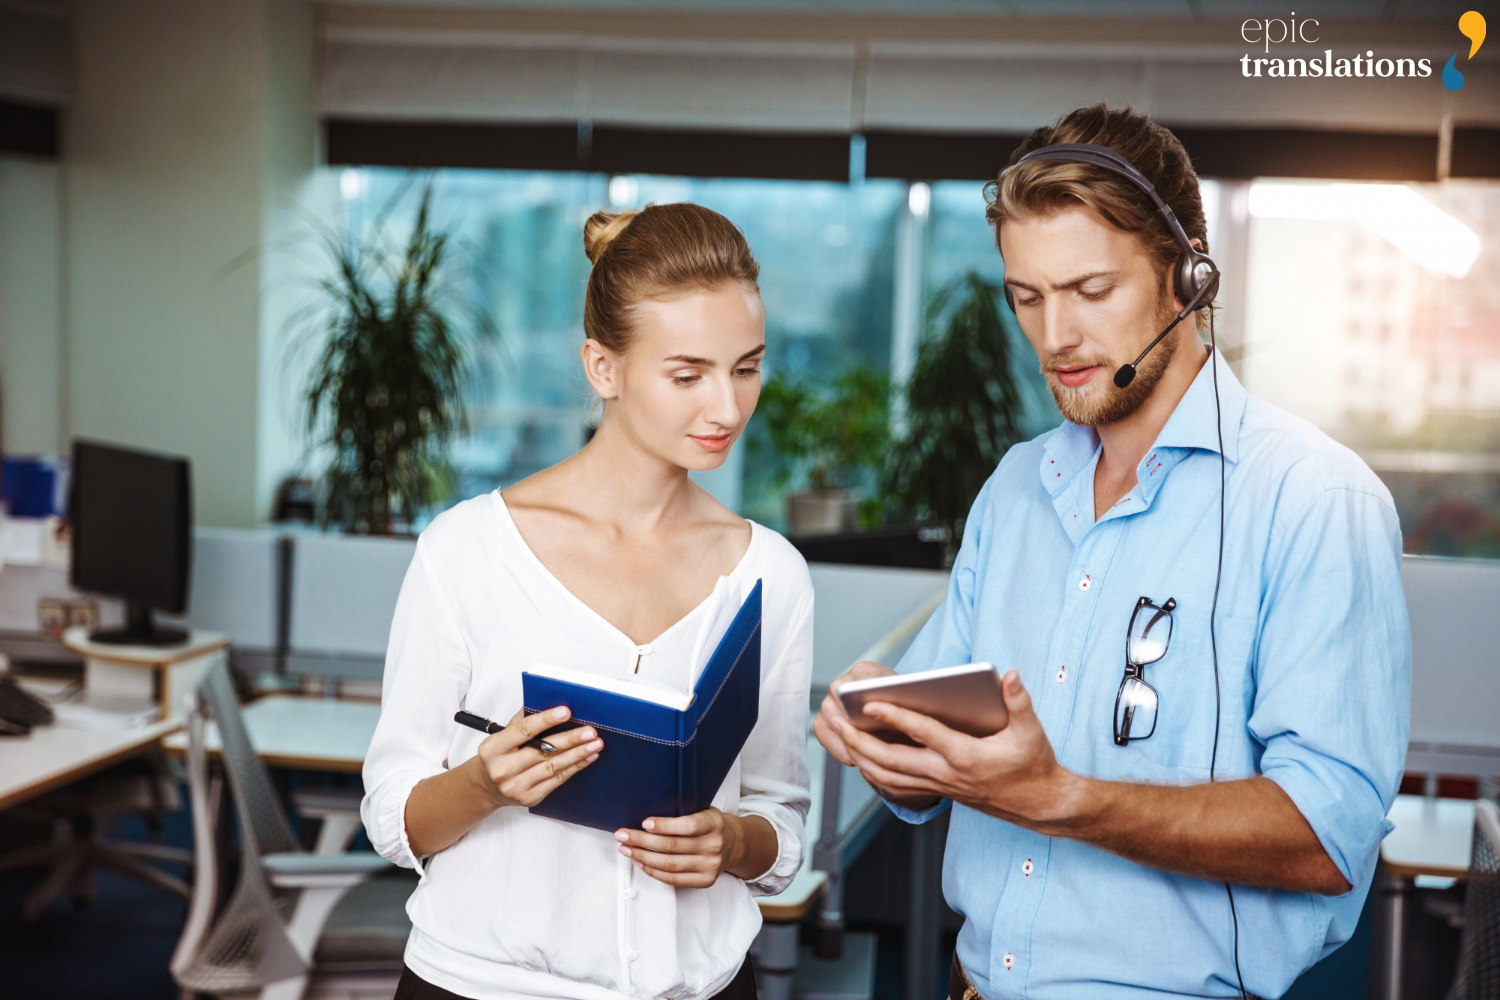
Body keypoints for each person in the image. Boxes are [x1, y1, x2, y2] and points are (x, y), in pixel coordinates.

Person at [814, 104, 1410, 999]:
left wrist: (1063, 797)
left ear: (1188, 275)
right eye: (1027, 297)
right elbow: (927, 776)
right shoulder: (1014, 491)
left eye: (1092, 291)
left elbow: (1327, 838)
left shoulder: (1314, 502)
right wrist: (884, 735)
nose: (1055, 337)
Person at [363, 203, 815, 1000]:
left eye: (746, 368)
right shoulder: (467, 550)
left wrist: (731, 841)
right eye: (688, 375)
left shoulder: (768, 574)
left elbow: (781, 823)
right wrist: (484, 785)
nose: (727, 408)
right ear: (602, 368)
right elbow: (393, 815)